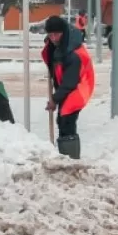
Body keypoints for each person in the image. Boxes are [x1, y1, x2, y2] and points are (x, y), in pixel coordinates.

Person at [41, 14, 94, 159]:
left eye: (56, 34)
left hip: (79, 86)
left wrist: (54, 99)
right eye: (50, 35)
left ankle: (71, 159)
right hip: (68, 86)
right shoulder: (59, 45)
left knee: (66, 120)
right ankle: (65, 156)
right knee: (62, 119)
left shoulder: (73, 54)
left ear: (63, 32)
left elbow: (69, 82)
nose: (53, 38)